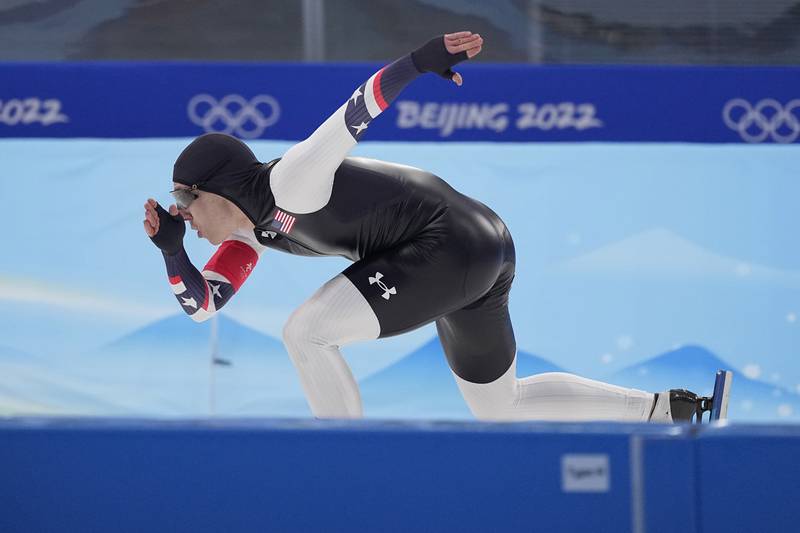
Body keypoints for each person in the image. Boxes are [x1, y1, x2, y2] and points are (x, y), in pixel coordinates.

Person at [143, 31, 701, 423]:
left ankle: (346, 467)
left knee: (305, 333)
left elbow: (354, 112)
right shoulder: (249, 233)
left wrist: (419, 60)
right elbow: (204, 307)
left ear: (216, 187)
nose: (183, 218)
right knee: (499, 407)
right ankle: (664, 409)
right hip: (480, 245)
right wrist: (173, 255)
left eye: (182, 200)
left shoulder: (288, 183)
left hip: (447, 243)